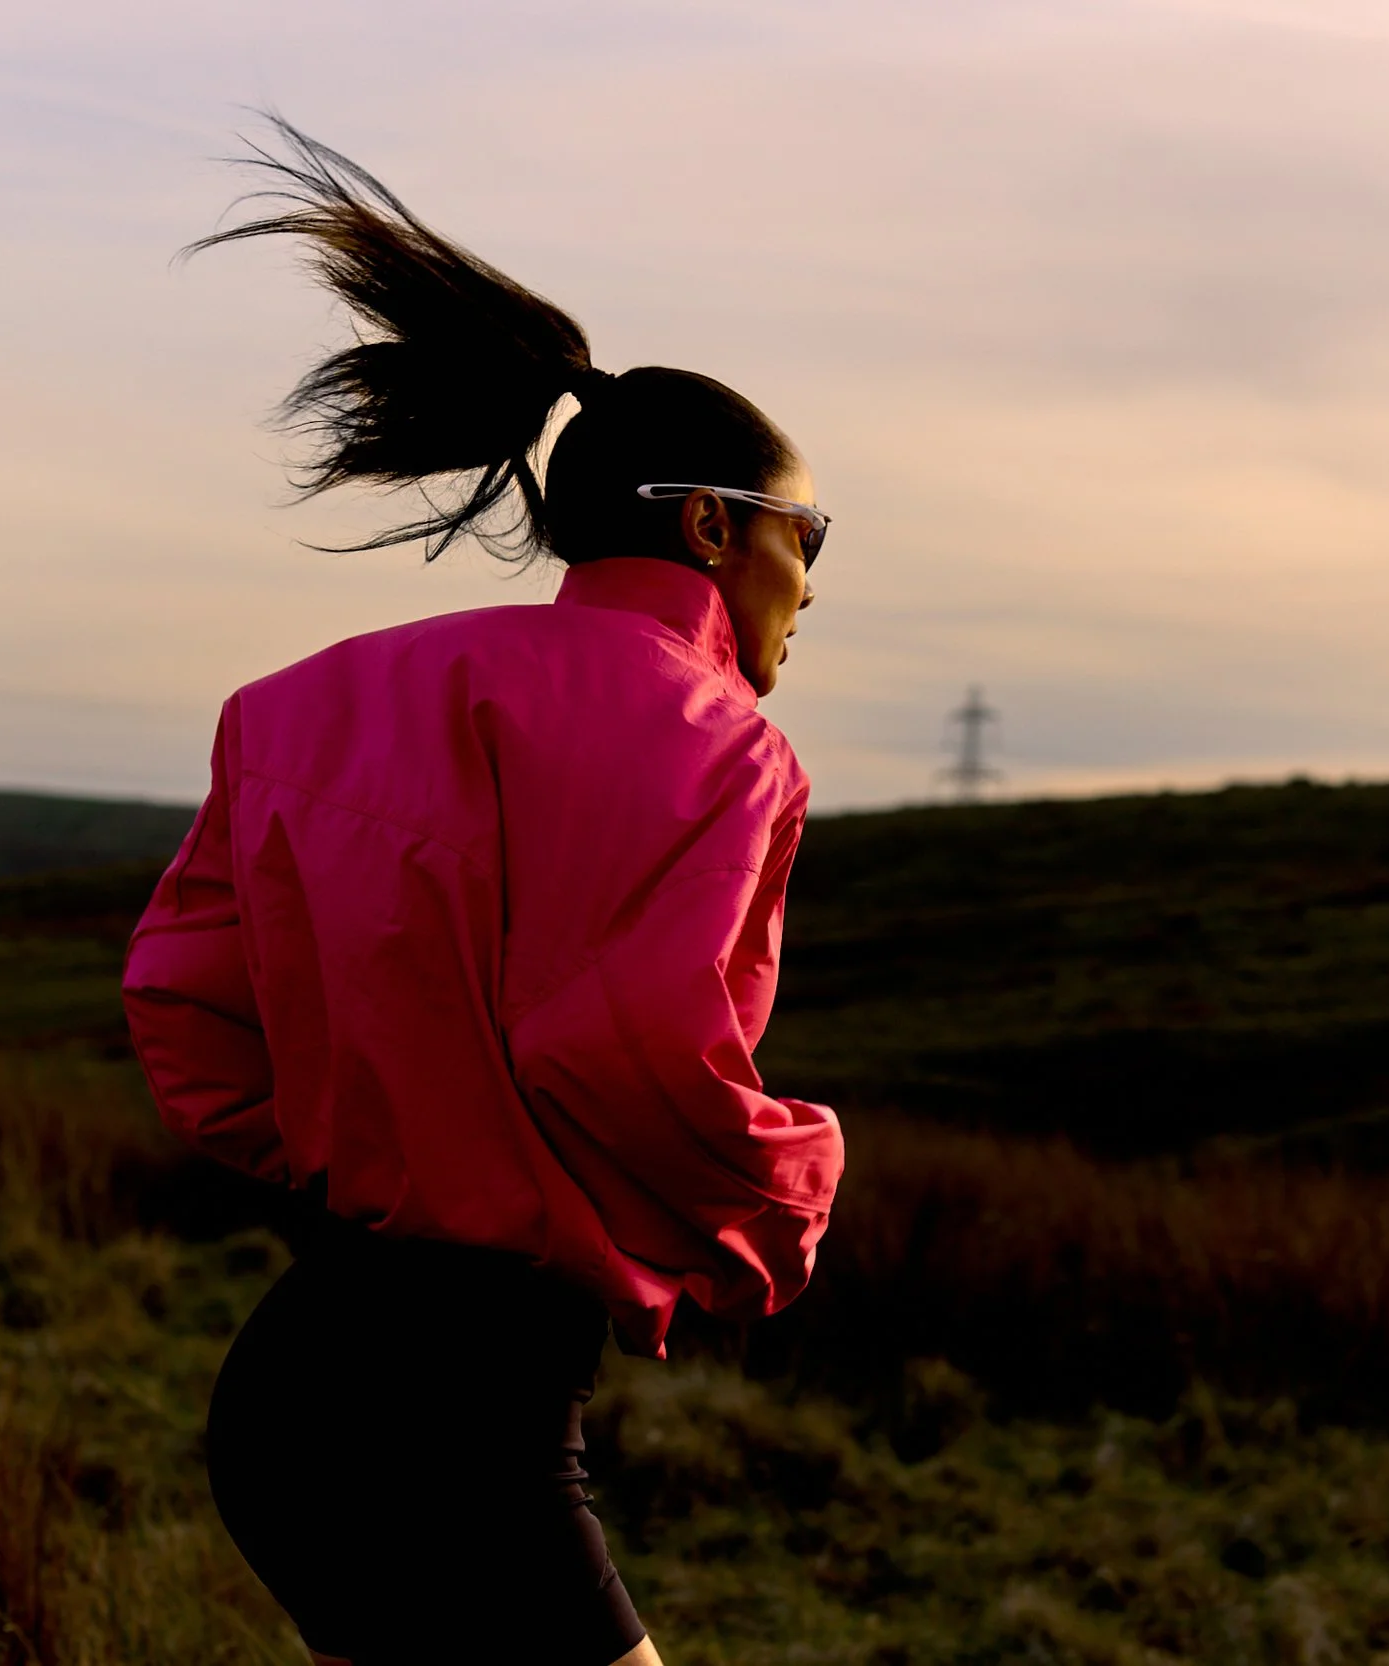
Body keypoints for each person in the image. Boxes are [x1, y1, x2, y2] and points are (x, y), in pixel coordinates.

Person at [120, 118, 844, 1666]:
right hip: (471, 1417)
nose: (813, 576)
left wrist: (364, 1158)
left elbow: (183, 1009)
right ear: (711, 526)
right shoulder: (724, 751)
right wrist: (787, 1201)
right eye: (806, 531)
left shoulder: (296, 704)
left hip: (292, 1392)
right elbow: (635, 1039)